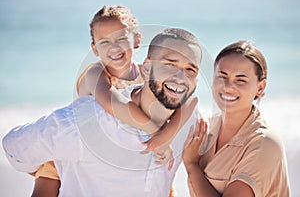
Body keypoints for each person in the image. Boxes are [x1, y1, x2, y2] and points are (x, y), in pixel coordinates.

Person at [3, 28, 205, 196]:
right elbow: (14, 148)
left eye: (191, 70)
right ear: (146, 69)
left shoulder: (192, 123)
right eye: (170, 64)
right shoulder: (90, 121)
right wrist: (55, 169)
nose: (180, 77)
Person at [183, 40, 290, 197]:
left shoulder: (264, 143)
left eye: (240, 80)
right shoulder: (206, 128)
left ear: (260, 88)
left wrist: (192, 166)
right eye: (222, 76)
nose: (227, 86)